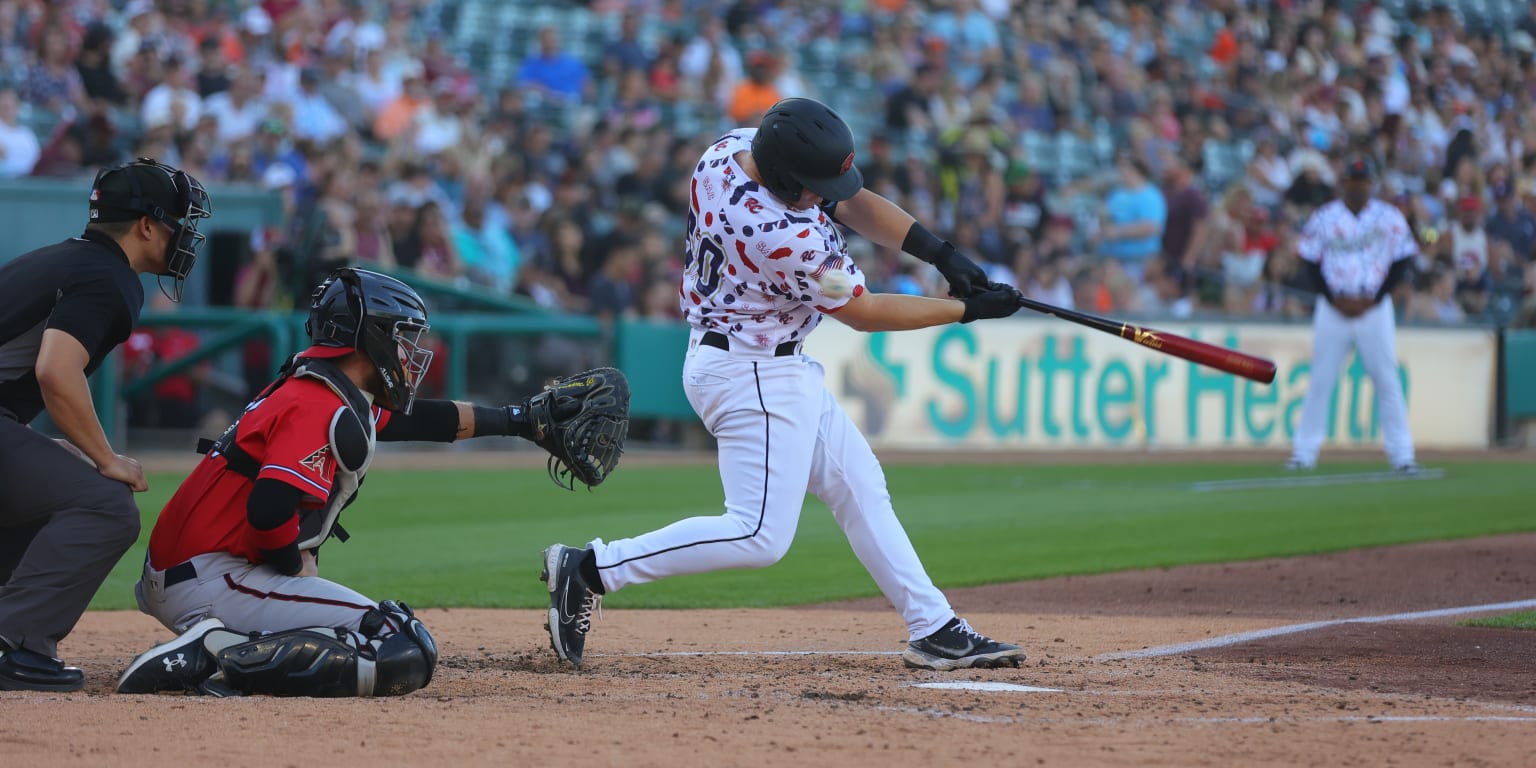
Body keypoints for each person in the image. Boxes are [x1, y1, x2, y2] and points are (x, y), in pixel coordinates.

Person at [541, 98, 1027, 672]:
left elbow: (850, 202)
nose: (826, 196)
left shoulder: (731, 151)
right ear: (784, 176)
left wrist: (942, 254)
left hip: (764, 360)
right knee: (758, 534)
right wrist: (965, 309)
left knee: (860, 487)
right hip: (752, 372)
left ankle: (935, 628)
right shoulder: (779, 236)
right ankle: (592, 569)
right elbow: (865, 313)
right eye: (814, 186)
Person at [114, 268, 614, 697]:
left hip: (194, 570)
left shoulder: (321, 387)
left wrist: (518, 420)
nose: (411, 351)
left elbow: (421, 421)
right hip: (213, 578)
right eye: (400, 336)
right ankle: (211, 653)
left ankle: (220, 641)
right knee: (401, 646)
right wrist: (291, 566)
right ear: (368, 337)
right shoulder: (319, 403)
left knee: (381, 639)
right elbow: (267, 509)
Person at [0, 157, 211, 691]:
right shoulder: (108, 275)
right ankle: (13, 643)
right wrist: (105, 456)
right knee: (105, 503)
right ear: (145, 226)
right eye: (176, 224)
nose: (184, 237)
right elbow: (55, 369)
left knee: (53, 483)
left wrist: (55, 447)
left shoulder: (53, 259)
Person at [1287, 157, 1418, 472]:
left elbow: (1403, 261)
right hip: (1334, 309)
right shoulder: (1324, 216)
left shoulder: (1389, 217)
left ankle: (1402, 455)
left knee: (1386, 379)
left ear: (1371, 184)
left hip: (1374, 308)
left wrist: (1376, 298)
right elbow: (1309, 261)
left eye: (1363, 181)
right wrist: (1332, 298)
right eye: (1353, 180)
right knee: (1320, 379)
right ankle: (1304, 453)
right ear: (1343, 182)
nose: (1358, 186)